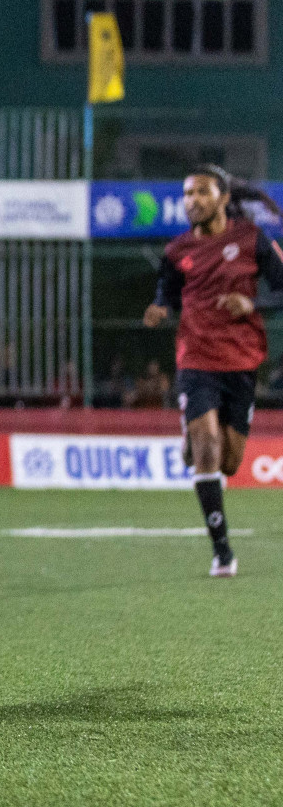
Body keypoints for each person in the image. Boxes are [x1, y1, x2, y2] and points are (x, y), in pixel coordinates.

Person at [144, 165, 283, 578]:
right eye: (187, 194)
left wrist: (251, 305)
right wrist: (160, 307)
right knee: (206, 446)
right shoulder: (175, 250)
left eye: (202, 193)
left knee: (229, 463)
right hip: (196, 358)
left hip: (241, 362)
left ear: (223, 198)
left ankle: (194, 441)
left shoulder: (252, 240)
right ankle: (222, 552)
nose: (193, 201)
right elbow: (166, 291)